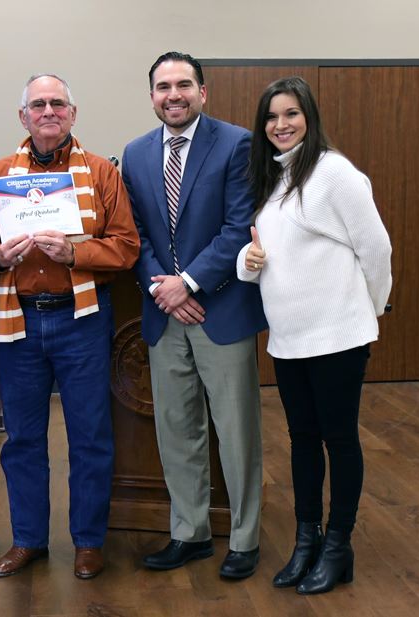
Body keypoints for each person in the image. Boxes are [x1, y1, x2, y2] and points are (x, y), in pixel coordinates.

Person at [0, 74, 140, 580]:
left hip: (82, 318)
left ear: (72, 114)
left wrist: (75, 252)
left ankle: (89, 541)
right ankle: (28, 539)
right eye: (37, 104)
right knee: (23, 439)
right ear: (22, 117)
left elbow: (126, 246)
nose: (48, 111)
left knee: (90, 436)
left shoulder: (100, 173)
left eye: (58, 103)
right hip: (19, 322)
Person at [237, 76, 392, 594]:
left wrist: (365, 314)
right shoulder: (272, 178)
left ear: (310, 117)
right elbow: (263, 251)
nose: (281, 125)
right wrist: (247, 261)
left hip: (338, 336)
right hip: (289, 337)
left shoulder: (334, 173)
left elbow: (377, 250)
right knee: (301, 440)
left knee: (339, 438)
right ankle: (306, 540)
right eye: (272, 117)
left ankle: (337, 545)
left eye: (291, 114)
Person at [122, 51, 267, 580]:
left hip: (220, 310)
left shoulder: (235, 144)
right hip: (164, 314)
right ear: (153, 96)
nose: (174, 95)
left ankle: (246, 538)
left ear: (202, 92)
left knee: (236, 431)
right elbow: (132, 234)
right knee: (176, 430)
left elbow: (238, 226)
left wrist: (188, 282)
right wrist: (164, 288)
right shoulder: (135, 154)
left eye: (184, 84)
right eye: (163, 87)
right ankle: (190, 532)